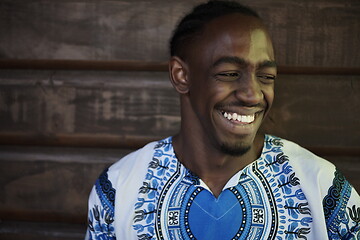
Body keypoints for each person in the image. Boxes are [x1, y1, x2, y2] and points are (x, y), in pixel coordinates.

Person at [85, 1, 360, 239]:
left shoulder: (321, 187)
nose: (253, 95)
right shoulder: (119, 191)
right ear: (182, 75)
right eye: (229, 73)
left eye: (266, 76)